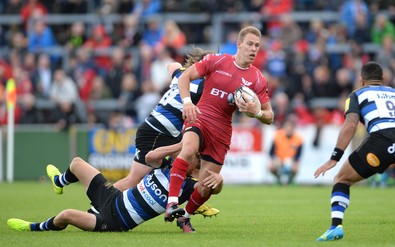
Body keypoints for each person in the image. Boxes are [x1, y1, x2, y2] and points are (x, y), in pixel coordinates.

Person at [164, 25, 274, 233]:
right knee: (187, 150)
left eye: (257, 46)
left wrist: (256, 112)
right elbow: (184, 77)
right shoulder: (217, 61)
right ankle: (171, 204)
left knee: (208, 185)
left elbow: (270, 116)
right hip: (201, 116)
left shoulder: (257, 79)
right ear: (239, 44)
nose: (253, 49)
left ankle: (184, 217)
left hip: (222, 130)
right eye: (249, 44)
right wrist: (188, 102)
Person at [7, 156, 223, 232]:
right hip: (113, 197)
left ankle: (33, 228)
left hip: (113, 220)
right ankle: (59, 182)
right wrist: (179, 148)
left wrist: (219, 182)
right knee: (77, 163)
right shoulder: (168, 164)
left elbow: (205, 191)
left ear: (195, 168)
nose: (187, 155)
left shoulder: (187, 186)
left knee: (66, 215)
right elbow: (150, 156)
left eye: (193, 156)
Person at [314, 61, 395, 241]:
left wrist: (334, 159)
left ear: (361, 80)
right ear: (383, 79)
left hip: (381, 140)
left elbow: (350, 125)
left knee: (342, 179)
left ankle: (335, 226)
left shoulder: (357, 94)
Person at [112, 47, 212, 191]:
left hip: (157, 128)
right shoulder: (204, 85)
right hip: (158, 131)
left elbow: (172, 65)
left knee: (189, 164)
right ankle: (100, 202)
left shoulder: (181, 75)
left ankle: (190, 199)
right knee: (134, 179)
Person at [268, 116, 303, 185]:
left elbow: (299, 154)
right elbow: (271, 152)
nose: (289, 129)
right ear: (284, 128)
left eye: (290, 127)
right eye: (287, 127)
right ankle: (278, 179)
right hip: (279, 159)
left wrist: (294, 161)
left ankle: (290, 180)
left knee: (295, 167)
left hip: (290, 160)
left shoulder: (298, 138)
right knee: (271, 167)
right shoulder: (277, 136)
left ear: (293, 128)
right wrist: (274, 158)